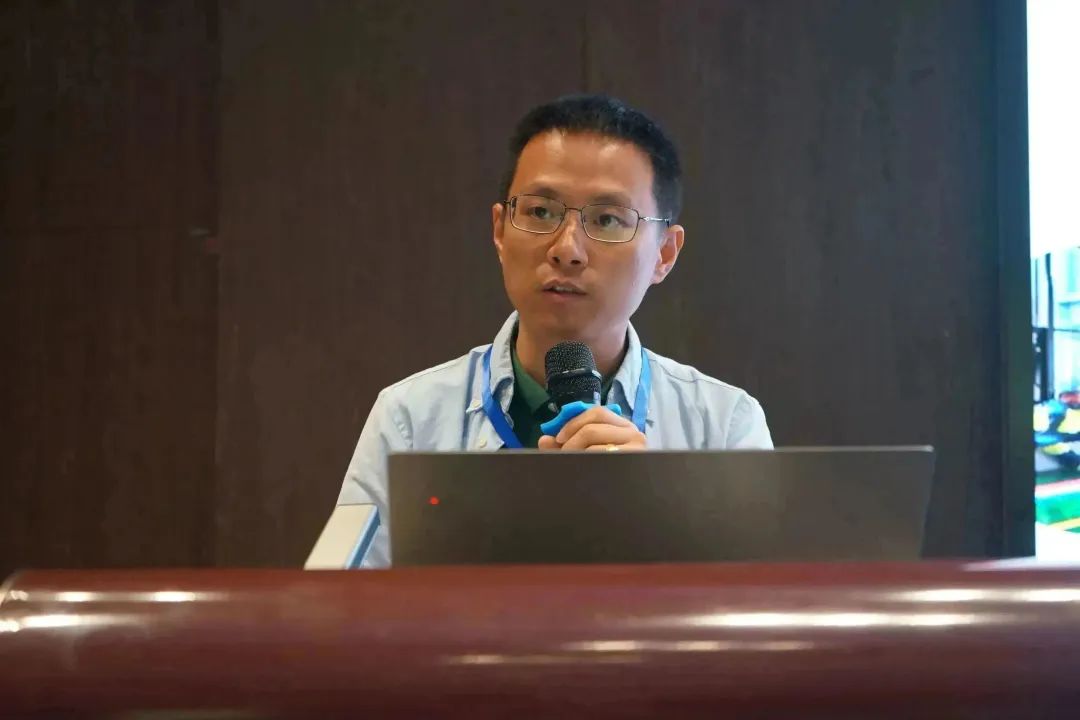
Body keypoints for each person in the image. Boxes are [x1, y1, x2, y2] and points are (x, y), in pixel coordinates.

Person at [335, 94, 772, 567]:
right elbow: (339, 601)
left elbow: (766, 608)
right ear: (500, 229)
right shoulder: (408, 418)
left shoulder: (723, 426)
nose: (567, 249)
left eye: (607, 219)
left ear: (664, 254)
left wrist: (657, 519)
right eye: (541, 212)